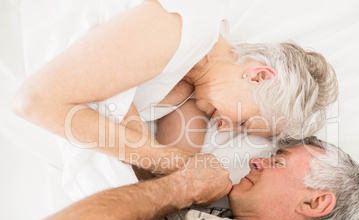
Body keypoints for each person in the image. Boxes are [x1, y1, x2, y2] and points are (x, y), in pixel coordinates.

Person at [11, 0, 338, 176]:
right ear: (259, 76)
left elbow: (167, 180)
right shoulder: (186, 25)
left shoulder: (195, 90)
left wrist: (172, 166)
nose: (224, 128)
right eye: (244, 122)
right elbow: (34, 101)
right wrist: (168, 161)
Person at [18, 137, 359, 220]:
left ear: (314, 203)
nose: (255, 161)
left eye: (277, 162)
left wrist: (184, 187)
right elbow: (166, 156)